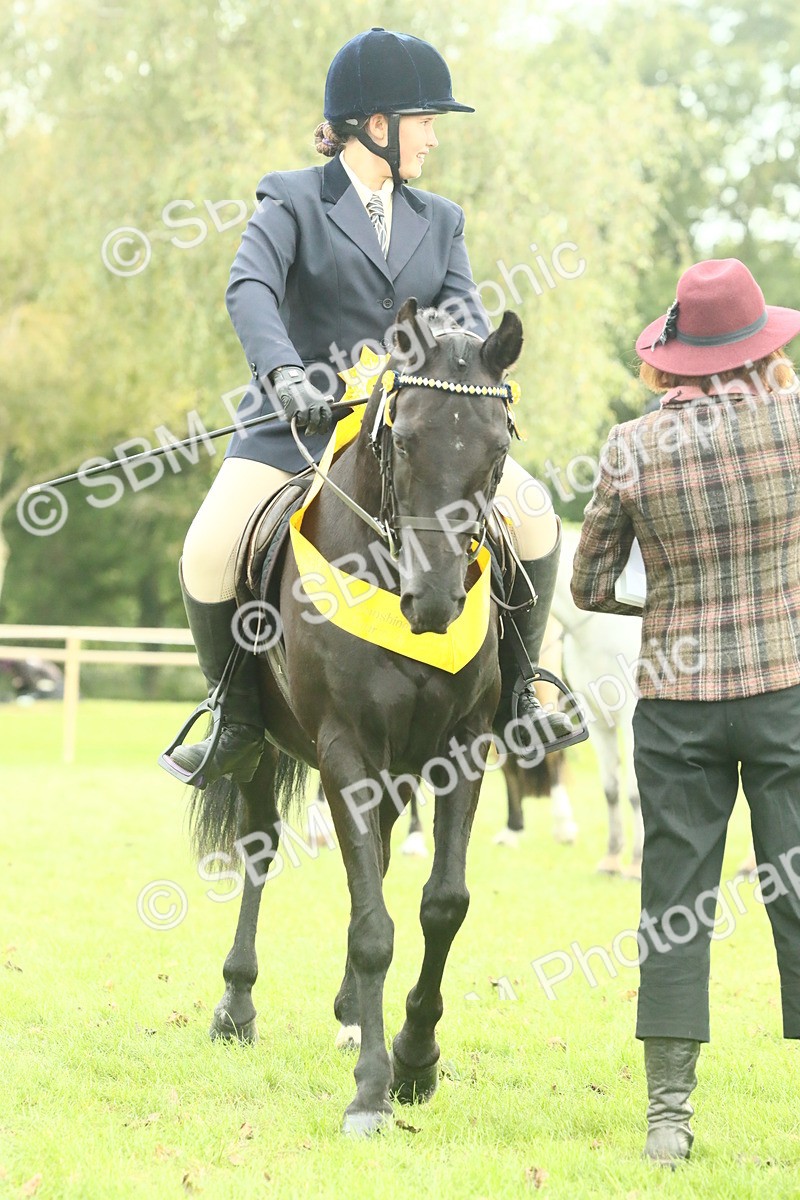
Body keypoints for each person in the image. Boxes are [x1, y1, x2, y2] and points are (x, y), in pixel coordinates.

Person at [161, 27, 574, 788]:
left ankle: (521, 695)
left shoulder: (440, 219)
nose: (433, 140)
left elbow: (464, 316)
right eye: (425, 123)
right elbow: (249, 288)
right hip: (297, 429)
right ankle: (235, 719)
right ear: (376, 124)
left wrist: (472, 375)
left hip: (409, 434)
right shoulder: (291, 199)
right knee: (207, 551)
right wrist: (286, 375)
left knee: (537, 517)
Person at [571, 257, 800, 1164]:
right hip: (787, 688)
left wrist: (666, 605)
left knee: (674, 905)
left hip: (676, 705)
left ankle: (669, 1118)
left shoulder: (631, 446)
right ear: (759, 346)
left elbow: (590, 585)